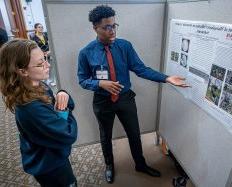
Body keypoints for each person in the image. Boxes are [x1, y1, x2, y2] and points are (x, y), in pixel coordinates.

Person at [77, 5, 189, 184]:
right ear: (95, 28)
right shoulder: (86, 53)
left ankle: (140, 164)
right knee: (105, 135)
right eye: (106, 27)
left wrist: (166, 78)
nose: (112, 30)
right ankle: (109, 165)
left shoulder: (124, 46)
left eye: (114, 25)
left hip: (125, 98)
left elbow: (141, 69)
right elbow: (82, 80)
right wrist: (99, 83)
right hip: (102, 101)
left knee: (134, 133)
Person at [0, 39, 78, 187]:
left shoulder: (38, 85)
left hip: (50, 152)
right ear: (22, 71)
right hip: (49, 164)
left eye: (45, 59)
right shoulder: (31, 108)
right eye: (40, 63)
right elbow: (68, 134)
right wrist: (63, 109)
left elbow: (57, 105)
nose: (48, 65)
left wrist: (62, 94)